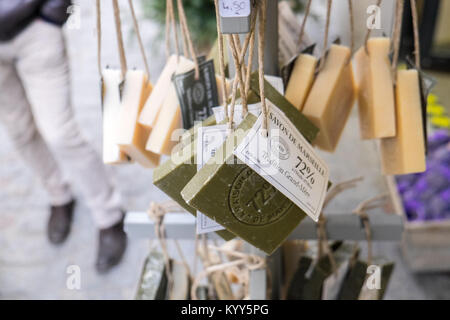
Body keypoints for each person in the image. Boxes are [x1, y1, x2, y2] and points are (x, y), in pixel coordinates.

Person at [0, 0, 127, 273]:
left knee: (60, 133)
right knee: (20, 131)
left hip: (33, 27)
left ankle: (109, 215)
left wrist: (53, 14)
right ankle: (59, 196)